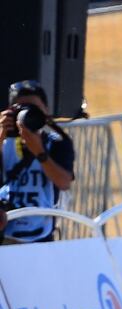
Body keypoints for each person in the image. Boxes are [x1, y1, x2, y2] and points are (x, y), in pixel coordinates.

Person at [0, 80, 74, 243]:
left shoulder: (57, 142)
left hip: (41, 235)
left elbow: (63, 182)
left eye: (34, 110)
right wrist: (2, 133)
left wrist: (40, 152)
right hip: (5, 231)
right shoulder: (4, 142)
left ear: (46, 112)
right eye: (21, 110)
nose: (27, 115)